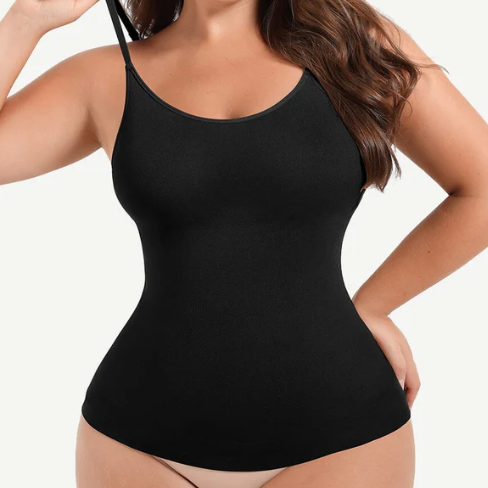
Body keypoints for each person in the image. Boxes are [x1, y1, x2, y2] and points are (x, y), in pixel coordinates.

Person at [1, 0, 487, 487]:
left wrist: (375, 304)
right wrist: (29, 18)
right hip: (137, 442)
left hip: (344, 438)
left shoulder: (355, 45)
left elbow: (481, 187)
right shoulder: (104, 76)